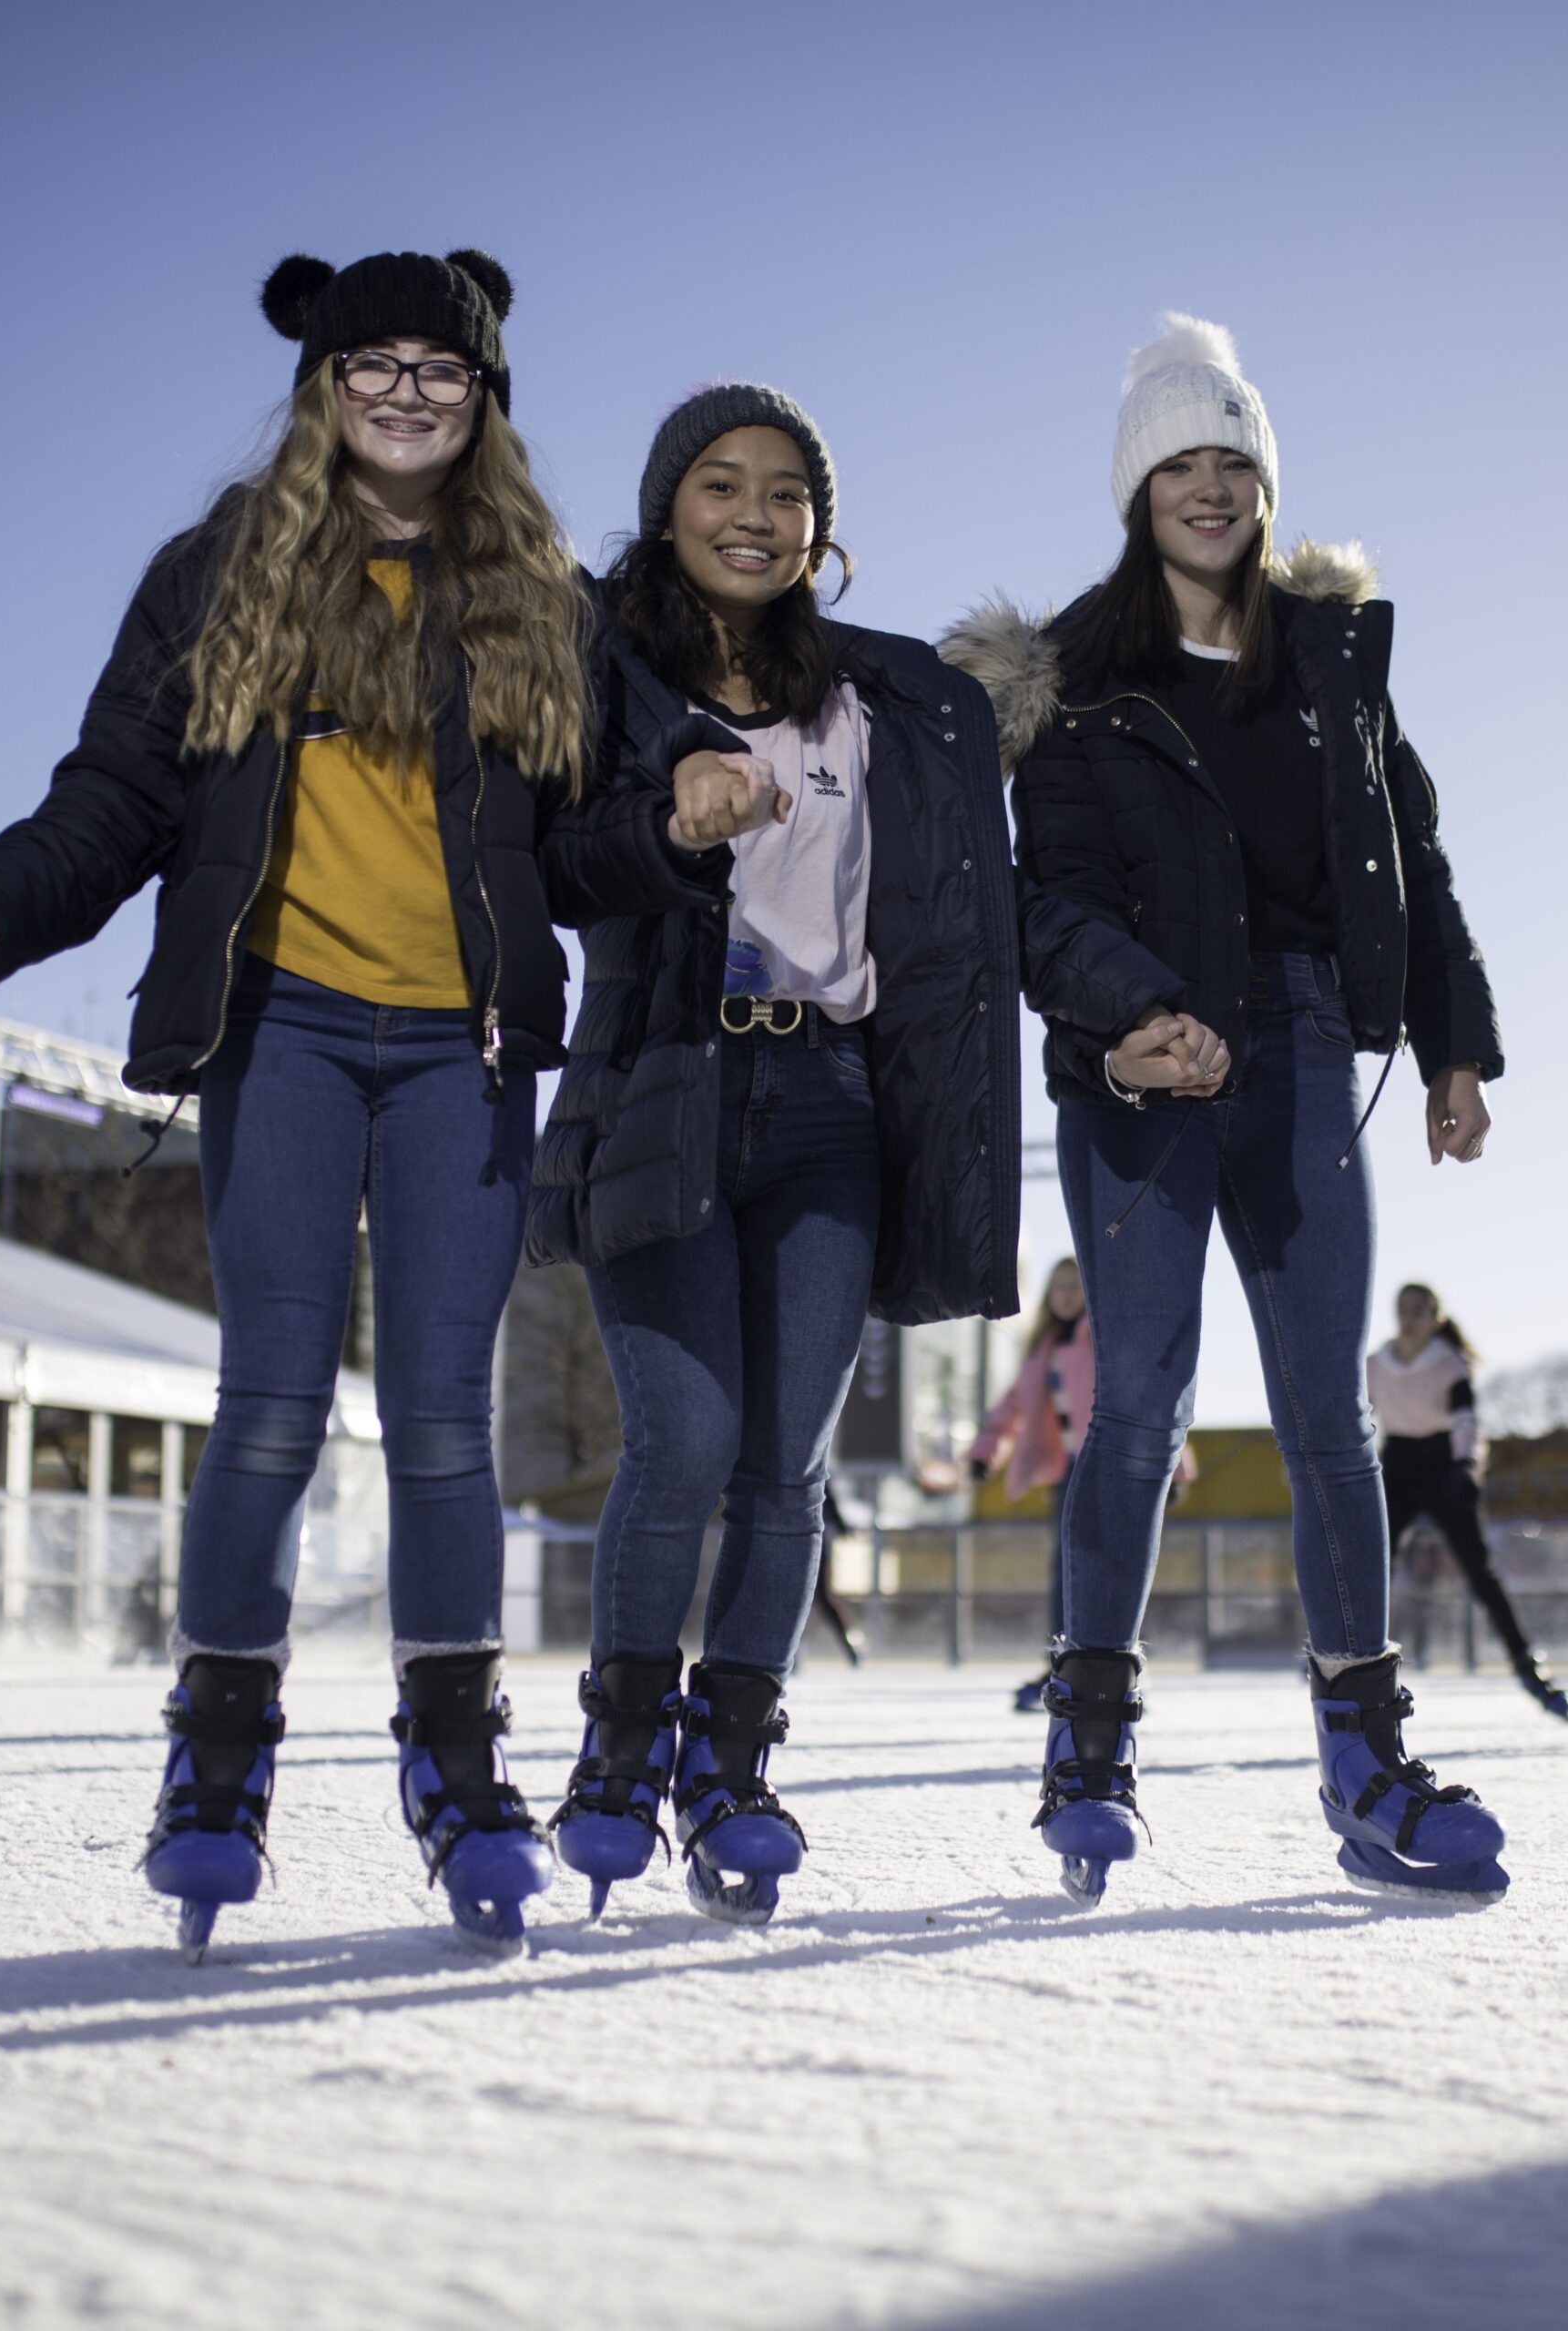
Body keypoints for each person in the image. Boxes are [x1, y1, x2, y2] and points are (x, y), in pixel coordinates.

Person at [0, 247, 771, 1959]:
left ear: (483, 398)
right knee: (273, 1407)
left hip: (459, 1046)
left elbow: (597, 823)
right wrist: (5, 900)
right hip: (283, 1031)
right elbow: (122, 790)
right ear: (321, 387)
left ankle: (458, 1768)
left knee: (445, 1418)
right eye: (369, 362)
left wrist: (677, 811)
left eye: (437, 368)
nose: (403, 390)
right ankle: (217, 1765)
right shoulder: (220, 571)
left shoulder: (544, 601)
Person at [944, 313, 1511, 1902]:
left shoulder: (1332, 663)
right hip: (1146, 1072)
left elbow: (1417, 859)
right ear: (1138, 491)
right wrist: (1136, 1017)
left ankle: (1366, 1752)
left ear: (1265, 482)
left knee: (1328, 1418)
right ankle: (1092, 1738)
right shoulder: (1074, 680)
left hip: (1312, 1044)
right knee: (1139, 1408)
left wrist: (1456, 1042)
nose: (1209, 489)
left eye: (1233, 463)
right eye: (1180, 464)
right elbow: (1041, 900)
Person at [527, 382, 1022, 1922]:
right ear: (669, 504)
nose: (754, 512)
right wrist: (674, 827)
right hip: (662, 1084)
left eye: (787, 491)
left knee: (786, 1465)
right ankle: (618, 1748)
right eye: (721, 482)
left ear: (821, 527)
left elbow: (957, 906)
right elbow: (558, 864)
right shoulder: (601, 679)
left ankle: (732, 1759)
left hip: (829, 1104)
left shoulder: (880, 701)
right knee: (677, 1440)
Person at [1370, 1283, 1568, 1718]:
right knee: (1373, 1564)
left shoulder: (1448, 1364)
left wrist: (1465, 1467)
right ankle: (1352, 1658)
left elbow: (1466, 1421)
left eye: (1420, 1310)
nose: (1410, 1317)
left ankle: (1527, 1667)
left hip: (1444, 1467)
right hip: (1398, 1467)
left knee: (1480, 1573)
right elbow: (1358, 1418)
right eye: (1404, 1309)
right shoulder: (1376, 1364)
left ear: (1436, 1319)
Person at [969, 1257, 1089, 1705]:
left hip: (1107, 1466)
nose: (1065, 1295)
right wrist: (985, 1453)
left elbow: (1150, 1406)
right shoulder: (1042, 1349)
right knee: (1065, 1570)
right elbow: (1010, 1409)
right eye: (1058, 1286)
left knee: (1109, 1568)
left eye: (1074, 1286)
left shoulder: (1103, 1341)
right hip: (1068, 1471)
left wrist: (1173, 1469)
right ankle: (1060, 1663)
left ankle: (1111, 1665)